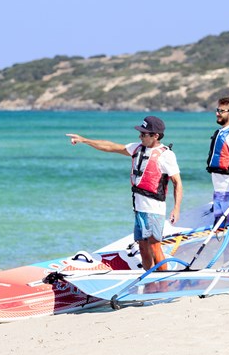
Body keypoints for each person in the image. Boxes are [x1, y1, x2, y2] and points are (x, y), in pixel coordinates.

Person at [66, 116, 182, 271]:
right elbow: (110, 146)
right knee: (142, 247)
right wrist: (84, 140)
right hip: (139, 208)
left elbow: (177, 183)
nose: (140, 136)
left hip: (154, 209)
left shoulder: (166, 155)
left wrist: (176, 208)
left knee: (155, 247)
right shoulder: (137, 148)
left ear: (155, 136)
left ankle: (163, 283)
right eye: (140, 133)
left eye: (144, 134)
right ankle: (149, 280)